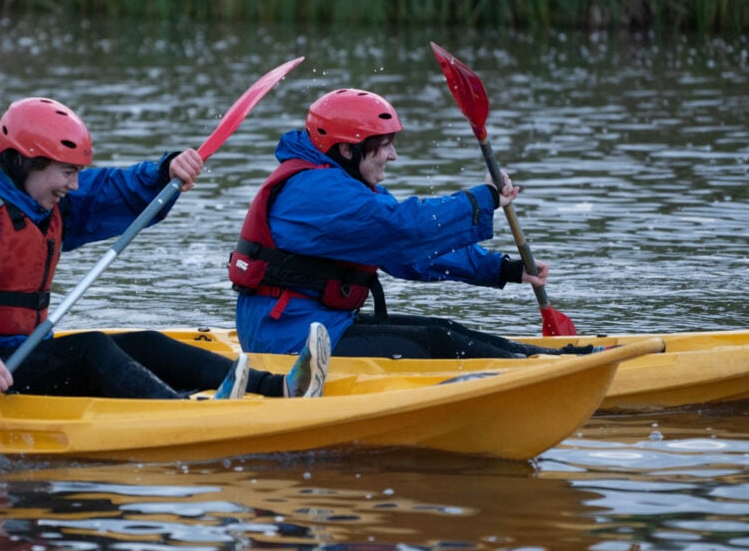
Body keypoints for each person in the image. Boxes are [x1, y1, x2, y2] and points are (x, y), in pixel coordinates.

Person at [0, 96, 330, 401]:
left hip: (17, 355)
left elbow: (112, 192)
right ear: (29, 162)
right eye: (67, 173)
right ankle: (180, 414)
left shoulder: (37, 200)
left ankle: (280, 388)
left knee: (144, 343)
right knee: (91, 350)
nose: (74, 185)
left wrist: (165, 172)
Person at [229, 87, 601, 359]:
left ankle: (553, 359)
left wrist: (502, 269)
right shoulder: (317, 191)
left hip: (313, 327)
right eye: (385, 144)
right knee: (436, 343)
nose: (394, 155)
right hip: (283, 341)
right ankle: (547, 367)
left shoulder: (346, 185)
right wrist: (483, 199)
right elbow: (406, 229)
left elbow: (412, 255)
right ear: (347, 149)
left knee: (444, 330)